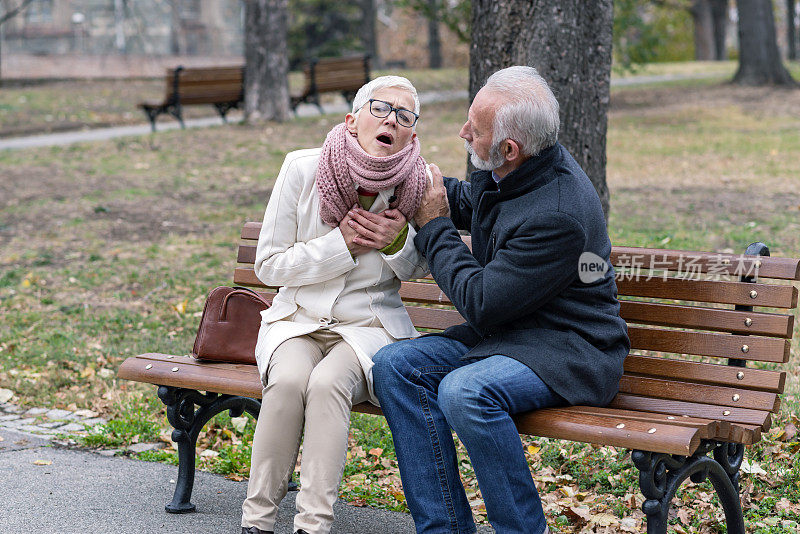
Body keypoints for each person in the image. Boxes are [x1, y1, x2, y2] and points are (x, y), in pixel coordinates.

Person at [371, 66, 630, 534]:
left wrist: (432, 225)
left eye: (476, 129)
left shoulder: (557, 213)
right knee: (396, 366)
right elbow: (468, 200)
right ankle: (444, 529)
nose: (463, 133)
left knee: (466, 391)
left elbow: (481, 301)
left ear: (509, 149)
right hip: (512, 337)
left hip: (569, 350)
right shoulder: (519, 170)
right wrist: (401, 176)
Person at [241, 76, 430, 534]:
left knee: (327, 385)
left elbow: (417, 270)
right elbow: (268, 266)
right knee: (287, 383)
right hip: (297, 321)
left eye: (404, 116)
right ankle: (256, 522)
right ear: (351, 122)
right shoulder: (302, 169)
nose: (392, 120)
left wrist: (396, 239)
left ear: (412, 135)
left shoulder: (419, 183)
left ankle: (313, 526)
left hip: (367, 327)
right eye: (381, 108)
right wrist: (339, 245)